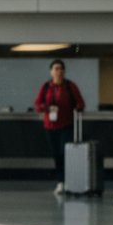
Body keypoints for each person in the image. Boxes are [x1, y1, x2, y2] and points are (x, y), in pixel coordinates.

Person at [33, 59, 85, 194]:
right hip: (50, 126)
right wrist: (47, 108)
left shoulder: (70, 86)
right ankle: (60, 182)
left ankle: (69, 181)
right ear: (51, 72)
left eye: (61, 69)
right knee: (56, 154)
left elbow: (80, 102)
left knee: (65, 153)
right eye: (56, 69)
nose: (58, 71)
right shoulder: (46, 87)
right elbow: (38, 104)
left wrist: (77, 108)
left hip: (66, 124)